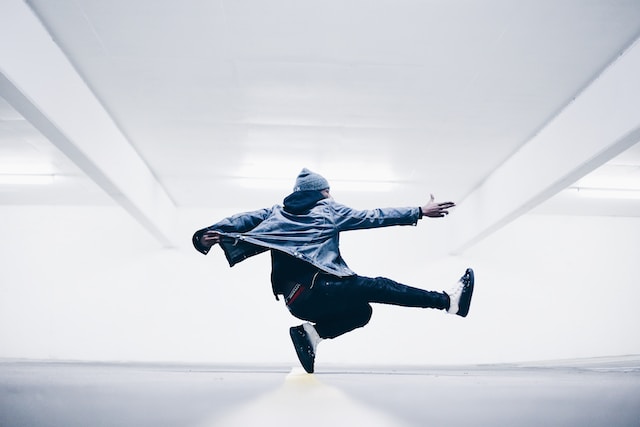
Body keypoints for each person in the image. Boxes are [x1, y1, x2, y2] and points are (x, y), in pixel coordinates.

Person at [192, 168, 474, 373]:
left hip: (297, 302)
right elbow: (372, 216)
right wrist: (419, 211)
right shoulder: (328, 209)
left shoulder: (274, 212)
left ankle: (310, 336)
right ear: (322, 192)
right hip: (318, 290)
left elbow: (240, 219)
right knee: (375, 286)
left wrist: (206, 234)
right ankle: (448, 301)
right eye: (328, 190)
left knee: (361, 311)